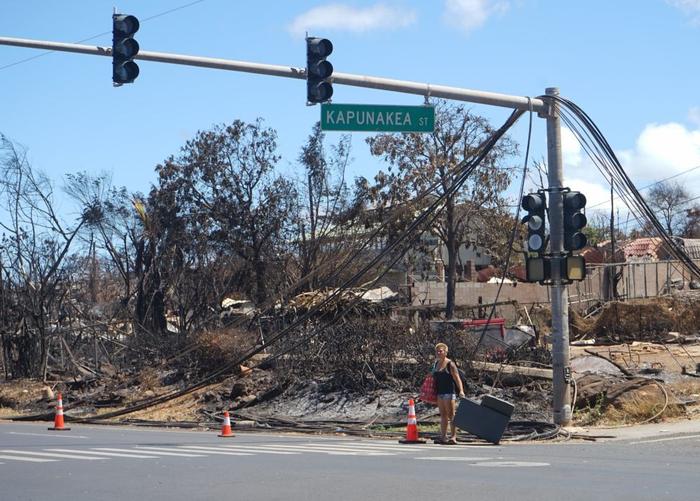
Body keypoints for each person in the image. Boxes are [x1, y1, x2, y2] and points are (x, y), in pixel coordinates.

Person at [432, 342, 465, 444]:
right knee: (443, 416)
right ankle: (443, 437)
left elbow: (457, 378)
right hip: (440, 392)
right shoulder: (436, 364)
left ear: (446, 352)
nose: (439, 353)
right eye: (437, 351)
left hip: (449, 392)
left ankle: (453, 436)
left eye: (441, 351)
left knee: (451, 415)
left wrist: (461, 390)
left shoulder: (450, 364)